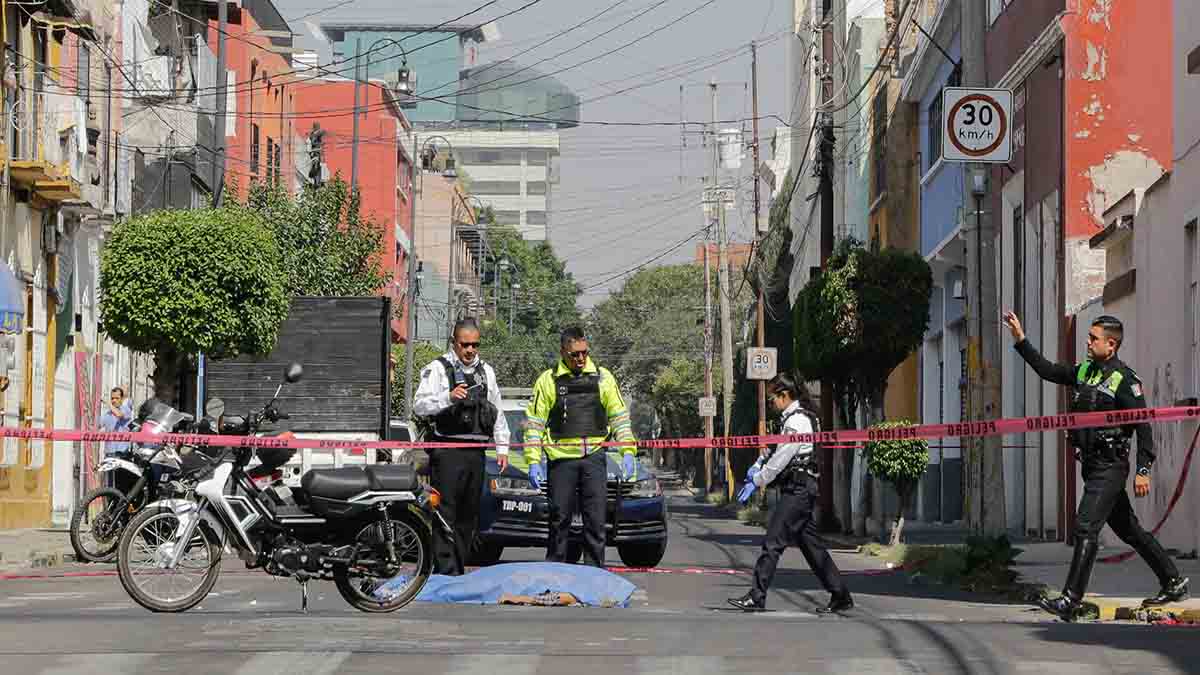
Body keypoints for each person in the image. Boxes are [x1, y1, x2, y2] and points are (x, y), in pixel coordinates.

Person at [1003, 311, 1189, 620]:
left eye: (1093, 338)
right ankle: (1173, 581)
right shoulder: (1085, 371)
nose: (1088, 343)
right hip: (1091, 465)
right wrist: (1020, 340)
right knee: (1129, 530)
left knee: (1085, 526)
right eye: (1088, 337)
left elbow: (1143, 427)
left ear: (1111, 345)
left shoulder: (1125, 381)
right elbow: (1048, 370)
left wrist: (1143, 470)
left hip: (1111, 466)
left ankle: (1070, 600)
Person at [727, 373, 853, 614]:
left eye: (773, 397)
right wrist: (759, 463)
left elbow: (782, 458)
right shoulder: (796, 418)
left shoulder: (797, 421)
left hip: (798, 490)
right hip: (802, 488)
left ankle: (757, 595)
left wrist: (759, 479)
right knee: (811, 547)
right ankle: (840, 595)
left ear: (785, 396)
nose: (771, 402)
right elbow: (776, 451)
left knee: (773, 541)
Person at [524, 326, 637, 567]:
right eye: (575, 354)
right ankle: (555, 571)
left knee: (595, 521)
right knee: (559, 519)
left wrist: (628, 451)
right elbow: (534, 424)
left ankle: (595, 573)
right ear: (563, 351)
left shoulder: (603, 378)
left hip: (593, 457)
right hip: (561, 460)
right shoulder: (548, 380)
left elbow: (619, 417)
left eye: (585, 352)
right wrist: (533, 460)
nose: (581, 358)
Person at [413, 318, 509, 576]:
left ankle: (458, 566)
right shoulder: (437, 368)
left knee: (469, 516)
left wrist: (502, 448)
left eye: (475, 345)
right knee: (445, 512)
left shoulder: (486, 371)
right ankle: (444, 570)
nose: (470, 350)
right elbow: (419, 405)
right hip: (447, 453)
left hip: (476, 453)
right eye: (465, 344)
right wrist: (448, 397)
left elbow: (497, 410)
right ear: (454, 343)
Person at [99, 387, 133, 457]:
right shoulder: (108, 414)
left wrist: (108, 404)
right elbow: (97, 426)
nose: (114, 400)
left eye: (117, 398)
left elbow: (119, 414)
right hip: (109, 452)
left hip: (121, 452)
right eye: (112, 398)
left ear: (122, 399)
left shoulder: (126, 410)